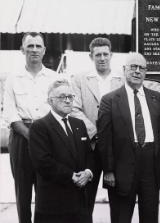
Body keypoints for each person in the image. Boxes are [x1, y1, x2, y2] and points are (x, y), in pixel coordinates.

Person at [97, 52, 160, 223]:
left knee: (150, 216)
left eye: (141, 68)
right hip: (122, 168)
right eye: (133, 67)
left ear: (145, 72)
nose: (137, 71)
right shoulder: (110, 99)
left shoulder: (155, 97)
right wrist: (108, 170)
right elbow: (104, 138)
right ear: (124, 70)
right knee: (121, 217)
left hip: (151, 166)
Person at [3, 32, 58, 223]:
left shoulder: (54, 78)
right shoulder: (13, 78)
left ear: (44, 50)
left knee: (47, 190)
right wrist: (31, 136)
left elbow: (59, 111)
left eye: (37, 46)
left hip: (48, 138)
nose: (34, 50)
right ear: (22, 50)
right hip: (20, 138)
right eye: (30, 46)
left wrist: (44, 138)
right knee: (23, 191)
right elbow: (10, 114)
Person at [70, 37, 124, 216]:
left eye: (105, 54)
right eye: (98, 54)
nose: (102, 58)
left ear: (111, 55)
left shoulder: (121, 79)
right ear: (91, 56)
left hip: (116, 147)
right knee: (85, 197)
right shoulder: (80, 79)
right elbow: (74, 109)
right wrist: (95, 132)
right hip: (90, 146)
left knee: (118, 197)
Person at [29, 79, 94, 223]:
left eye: (70, 97)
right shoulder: (40, 127)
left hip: (80, 204)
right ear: (50, 101)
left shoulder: (79, 124)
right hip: (53, 206)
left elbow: (89, 154)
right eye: (62, 97)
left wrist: (88, 172)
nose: (67, 101)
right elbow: (42, 162)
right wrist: (72, 176)